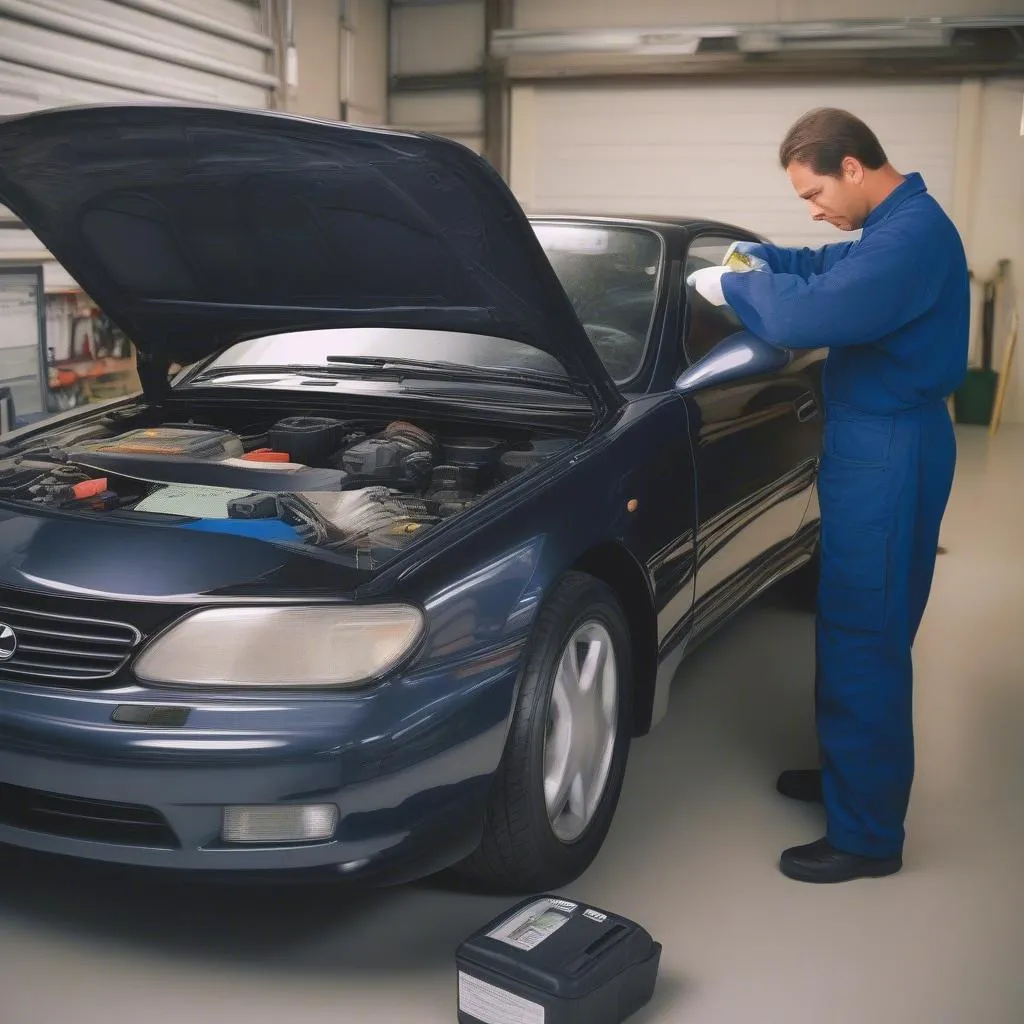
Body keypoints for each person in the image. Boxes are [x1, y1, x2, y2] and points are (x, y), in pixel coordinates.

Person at [688, 107, 969, 884]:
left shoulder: (910, 238)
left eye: (814, 193)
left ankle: (867, 835)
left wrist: (737, 286)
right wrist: (763, 256)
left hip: (888, 444)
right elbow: (821, 269)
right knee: (861, 623)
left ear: (853, 166)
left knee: (863, 630)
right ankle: (853, 778)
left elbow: (809, 311)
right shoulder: (896, 225)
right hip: (882, 437)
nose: (812, 209)